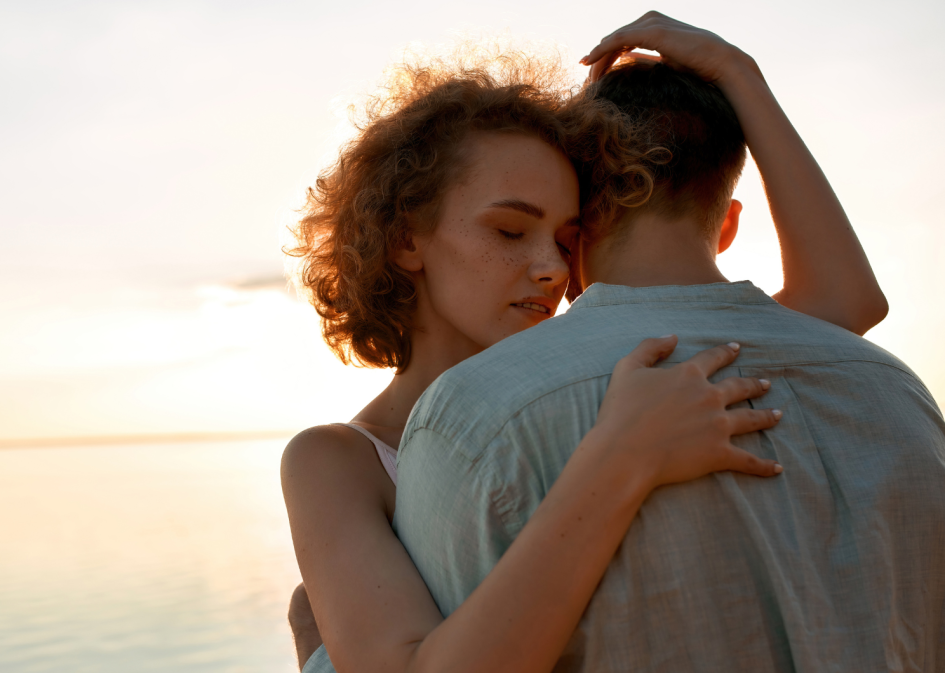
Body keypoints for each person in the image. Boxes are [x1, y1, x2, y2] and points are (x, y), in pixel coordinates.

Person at [282, 16, 890, 673]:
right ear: (405, 239)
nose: (551, 267)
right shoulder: (336, 459)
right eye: (511, 230)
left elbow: (843, 304)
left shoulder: (636, 380)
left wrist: (736, 75)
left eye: (568, 237)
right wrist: (622, 456)